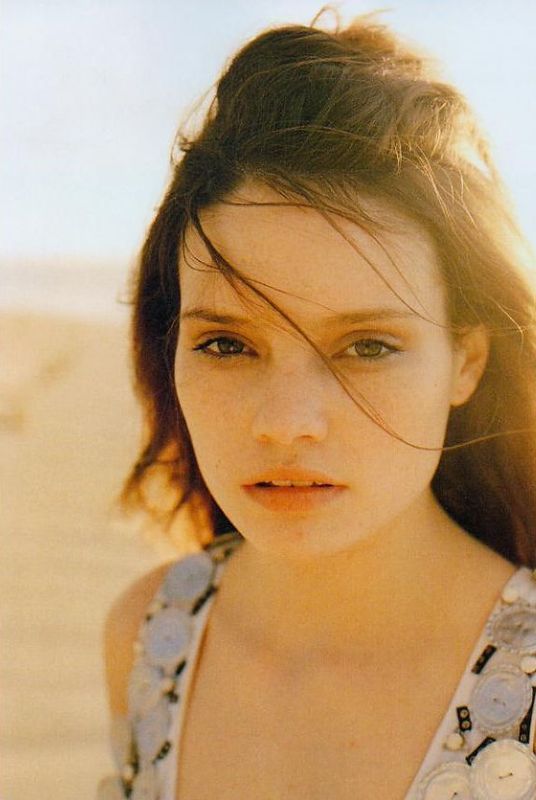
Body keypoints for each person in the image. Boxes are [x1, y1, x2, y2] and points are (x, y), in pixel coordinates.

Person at [97, 8, 536, 799]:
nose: (285, 423)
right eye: (226, 344)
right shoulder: (148, 637)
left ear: (466, 360)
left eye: (367, 346)